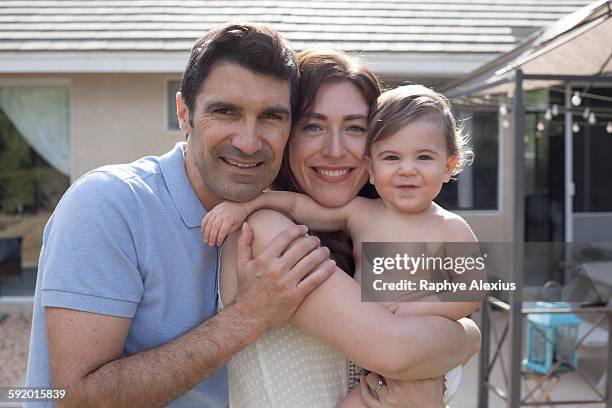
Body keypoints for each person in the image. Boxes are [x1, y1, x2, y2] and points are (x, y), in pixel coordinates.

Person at [24, 25, 478, 408]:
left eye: (272, 117)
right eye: (226, 111)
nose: (247, 140)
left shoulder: (341, 223)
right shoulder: (114, 204)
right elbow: (68, 395)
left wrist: (462, 338)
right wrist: (249, 317)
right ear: (184, 113)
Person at [207, 51, 482, 407]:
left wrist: (461, 339)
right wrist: (466, 338)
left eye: (355, 127)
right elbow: (394, 350)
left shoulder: (371, 229)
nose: (334, 150)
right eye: (313, 126)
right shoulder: (266, 232)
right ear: (287, 133)